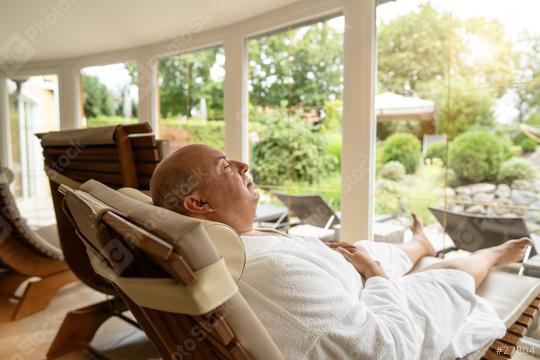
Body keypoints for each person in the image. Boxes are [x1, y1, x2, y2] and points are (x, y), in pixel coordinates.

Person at [150, 144, 532, 360]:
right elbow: (389, 349)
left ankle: (420, 244)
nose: (242, 164)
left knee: (369, 249)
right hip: (370, 308)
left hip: (337, 275)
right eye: (225, 166)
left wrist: (355, 263)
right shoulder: (271, 274)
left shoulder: (223, 243)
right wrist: (377, 277)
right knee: (448, 273)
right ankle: (494, 255)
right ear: (198, 202)